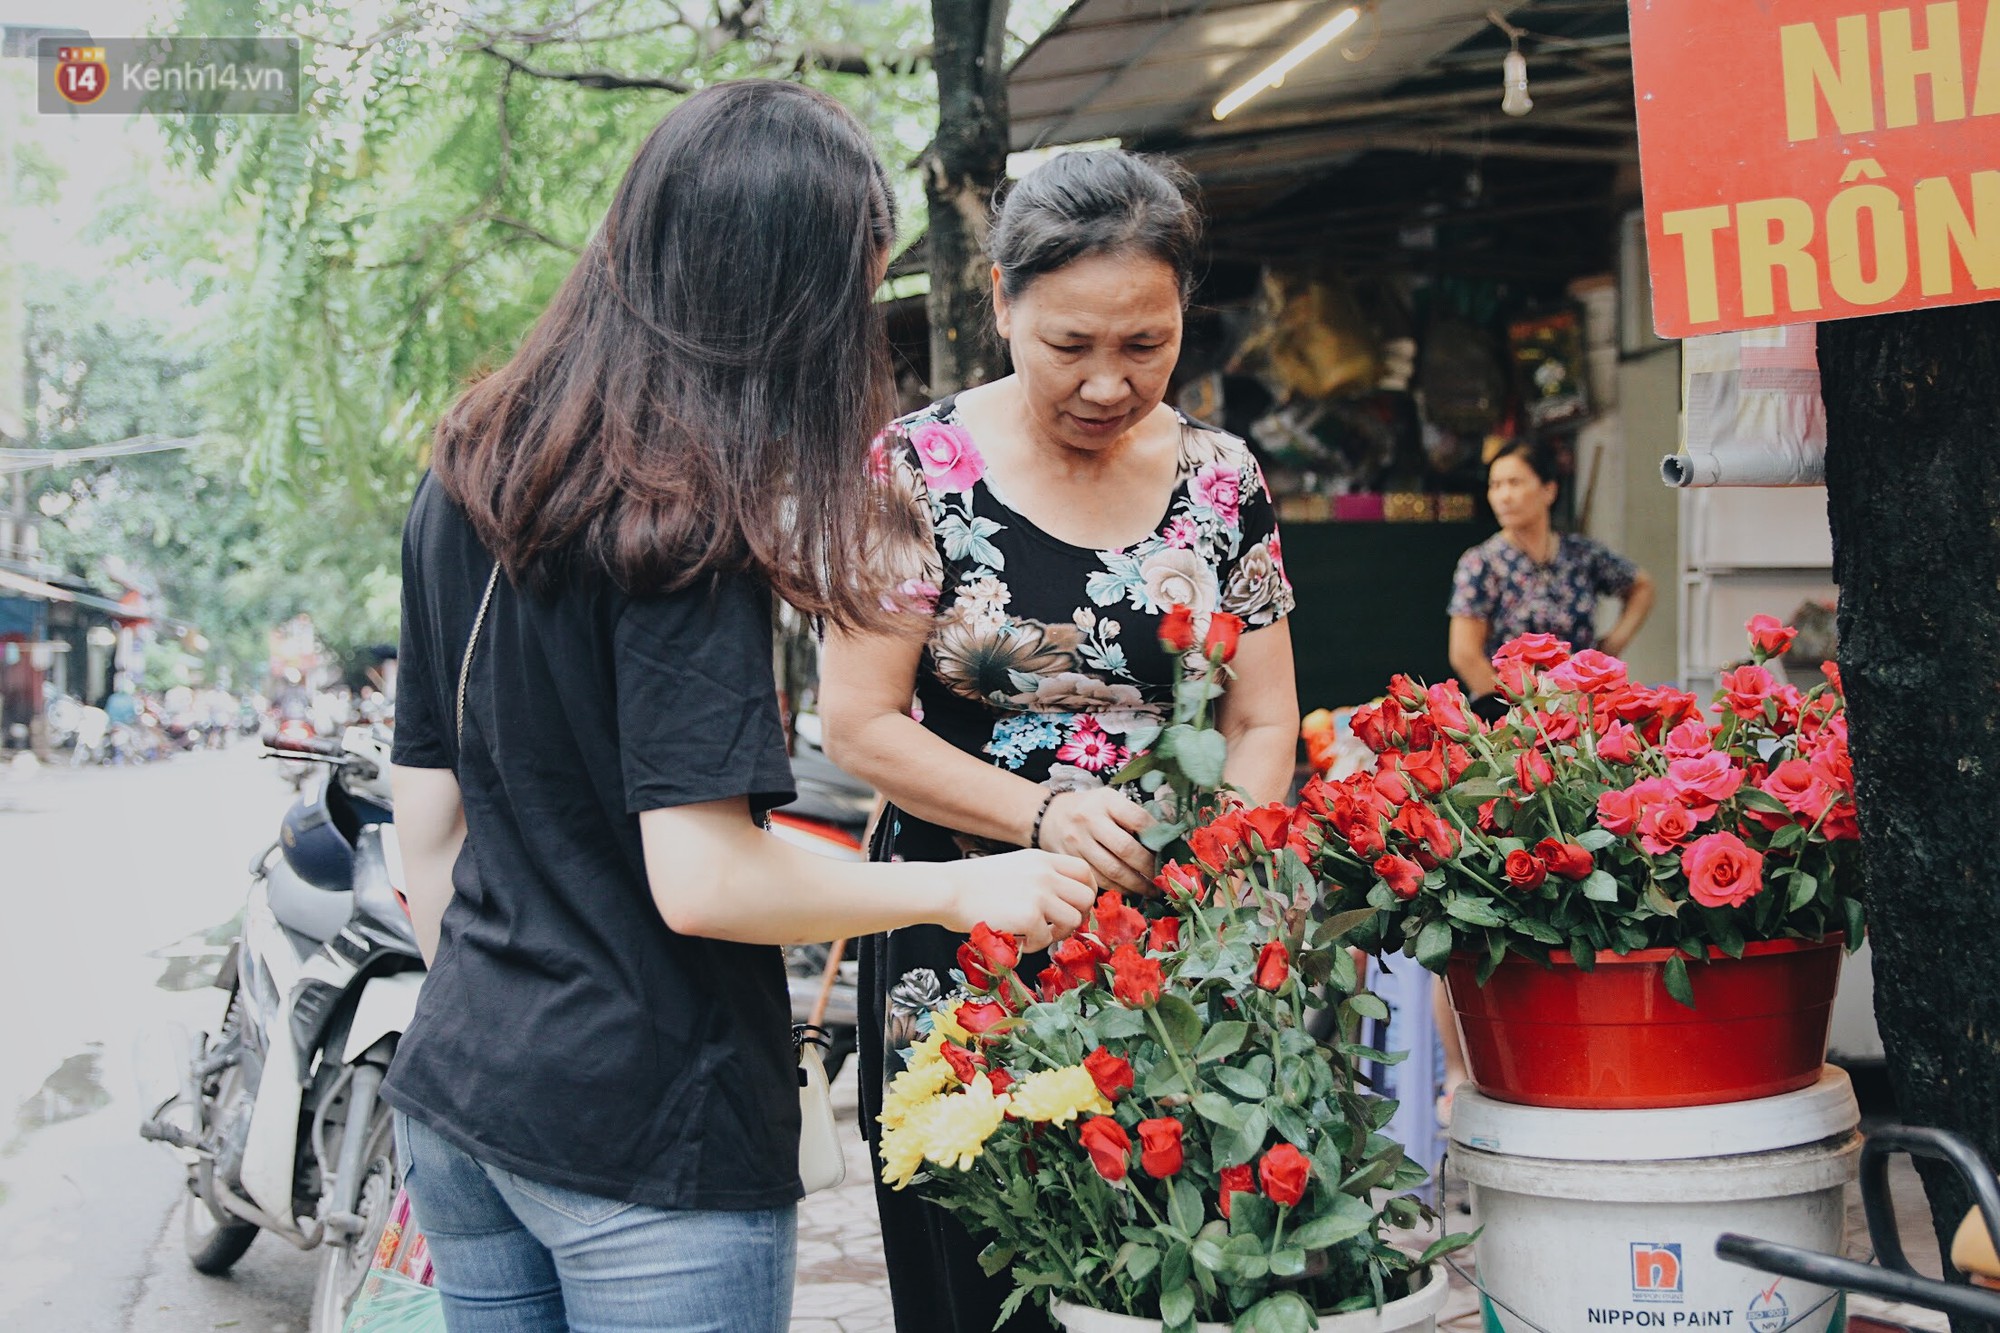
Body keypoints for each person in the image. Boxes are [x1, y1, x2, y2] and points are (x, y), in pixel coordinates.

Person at [384, 81, 1097, 1333]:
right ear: (786, 297)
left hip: (466, 1093)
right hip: (644, 1130)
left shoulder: (473, 466)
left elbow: (427, 820)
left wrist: (512, 1024)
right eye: (857, 291)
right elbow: (704, 880)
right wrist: (956, 888)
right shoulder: (680, 520)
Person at [818, 149, 1301, 1333]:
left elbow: (1262, 713)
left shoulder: (1221, 479)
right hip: (963, 933)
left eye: (1143, 346)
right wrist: (1039, 815)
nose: (1105, 383)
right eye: (1067, 347)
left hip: (1175, 944)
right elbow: (858, 723)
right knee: (986, 1277)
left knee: (1177, 1268)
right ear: (999, 303)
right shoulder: (909, 471)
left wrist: (1217, 871)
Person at [1438, 437, 1655, 1105]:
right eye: (1495, 484)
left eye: (1515, 481)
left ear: (1547, 489)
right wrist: (1518, 711)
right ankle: (1460, 1069)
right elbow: (1465, 652)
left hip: (1585, 730)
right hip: (1513, 732)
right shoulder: (1483, 563)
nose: (1503, 495)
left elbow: (1641, 585)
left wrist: (1609, 651)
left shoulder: (1583, 556)